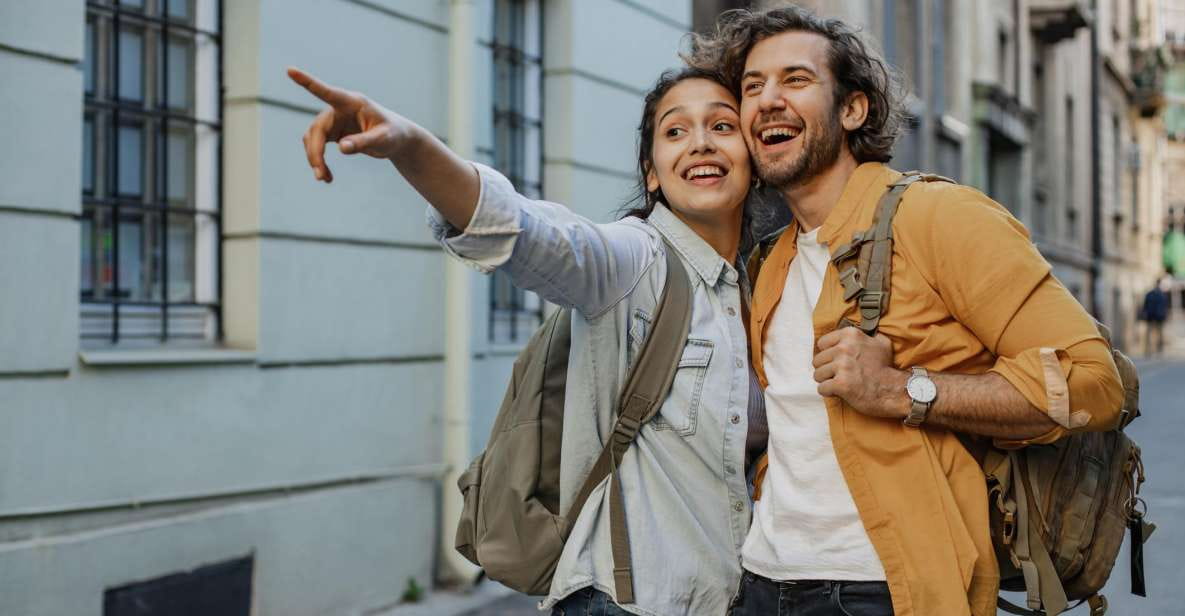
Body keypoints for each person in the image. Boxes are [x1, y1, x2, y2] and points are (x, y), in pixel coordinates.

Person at [686, 6, 1126, 616]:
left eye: (795, 79)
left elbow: (1093, 382)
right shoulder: (770, 261)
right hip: (763, 580)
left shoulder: (937, 217)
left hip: (888, 591)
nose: (767, 100)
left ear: (852, 109)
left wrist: (903, 390)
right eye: (752, 87)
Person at [288, 66, 769, 616]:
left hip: (730, 599)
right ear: (652, 173)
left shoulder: (758, 290)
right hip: (631, 603)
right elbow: (525, 230)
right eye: (675, 131)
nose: (700, 142)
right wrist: (410, 146)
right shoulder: (633, 262)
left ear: (753, 160)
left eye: (722, 126)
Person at [1139, 275, 1171, 356]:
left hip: (1156, 316)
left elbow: (1165, 307)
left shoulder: (1157, 294)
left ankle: (1156, 350)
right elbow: (1145, 306)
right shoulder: (1159, 295)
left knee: (1157, 334)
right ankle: (1151, 350)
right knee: (1152, 334)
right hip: (1153, 316)